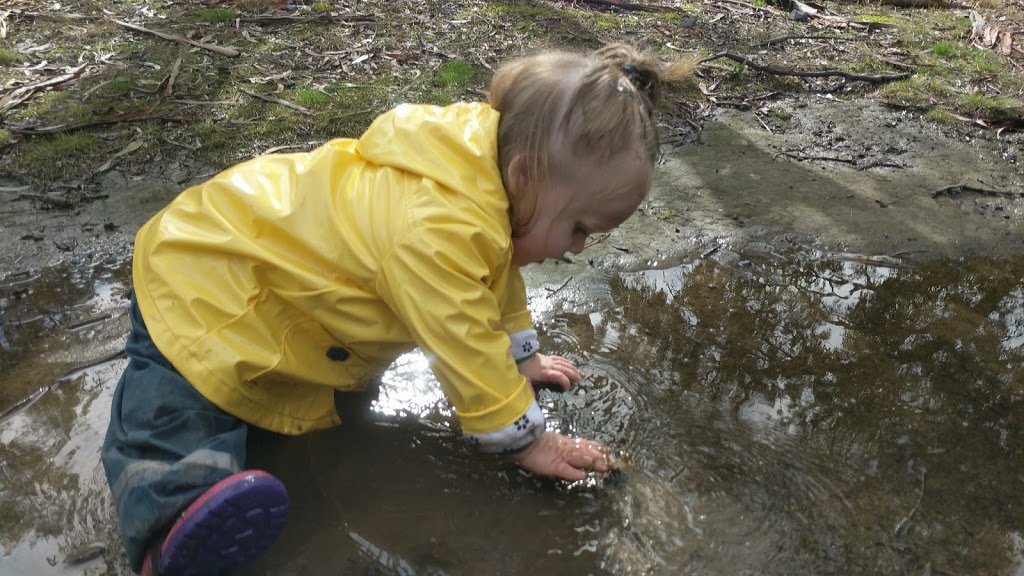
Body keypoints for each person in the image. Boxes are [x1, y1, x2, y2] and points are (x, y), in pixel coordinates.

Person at [101, 42, 671, 575]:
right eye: (577, 227)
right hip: (208, 275)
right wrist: (529, 440)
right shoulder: (436, 229)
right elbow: (463, 339)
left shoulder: (485, 171)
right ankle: (171, 523)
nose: (576, 247)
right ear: (525, 174)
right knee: (176, 407)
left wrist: (520, 358)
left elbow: (494, 277)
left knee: (262, 398)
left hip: (269, 282)